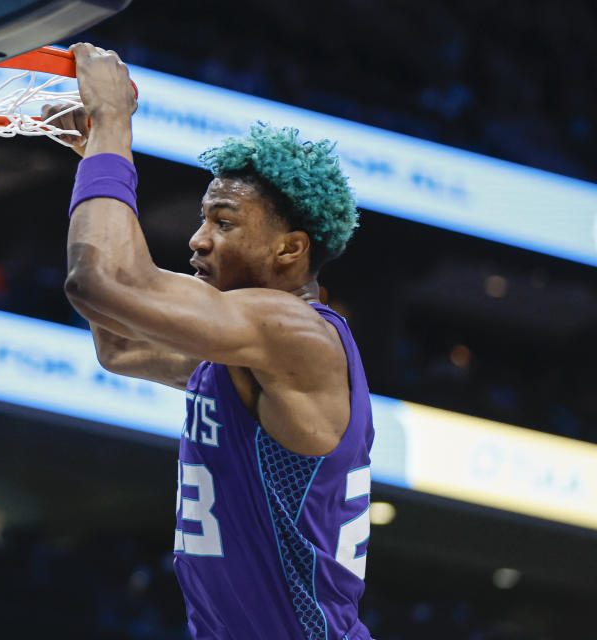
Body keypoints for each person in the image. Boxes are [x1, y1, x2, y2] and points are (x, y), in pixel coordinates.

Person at [51, 42, 374, 640]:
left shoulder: (294, 332)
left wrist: (115, 127)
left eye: (223, 223)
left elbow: (99, 280)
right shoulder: (244, 348)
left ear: (289, 250)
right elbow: (118, 343)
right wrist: (93, 156)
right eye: (203, 220)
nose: (198, 240)